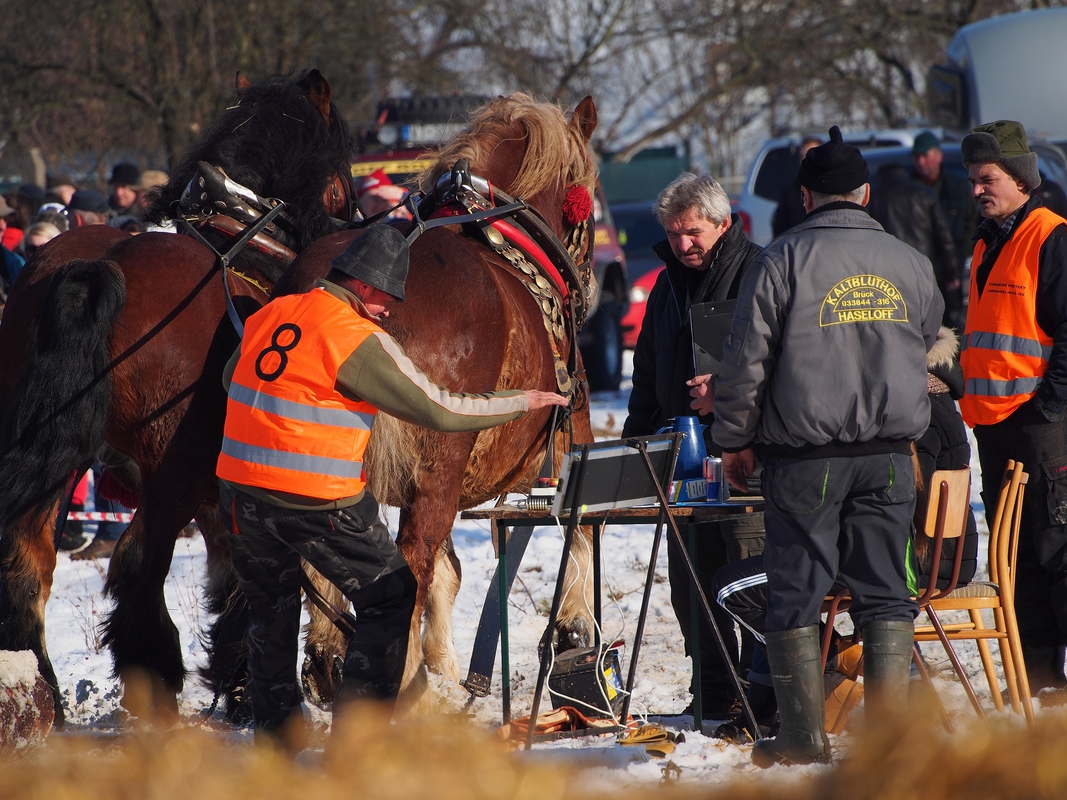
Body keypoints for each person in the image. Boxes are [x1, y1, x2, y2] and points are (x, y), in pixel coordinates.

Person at [216, 225, 569, 747]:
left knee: (271, 609)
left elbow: (232, 379)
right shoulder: (352, 335)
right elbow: (438, 408)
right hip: (316, 497)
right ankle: (358, 740)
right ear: (362, 285)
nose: (388, 310)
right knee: (391, 594)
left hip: (241, 494)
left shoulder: (272, 313)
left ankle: (277, 740)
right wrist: (522, 400)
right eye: (386, 297)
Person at [712, 126, 943, 766]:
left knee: (797, 591)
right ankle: (891, 741)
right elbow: (926, 334)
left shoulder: (778, 260)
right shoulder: (911, 262)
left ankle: (801, 738)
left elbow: (746, 363)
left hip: (806, 460)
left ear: (807, 198)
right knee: (885, 593)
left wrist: (733, 440)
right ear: (865, 193)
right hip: (892, 457)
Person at [711, 326, 979, 742]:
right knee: (785, 578)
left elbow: (880, 507)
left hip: (899, 563)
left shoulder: (905, 412)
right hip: (940, 559)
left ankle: (826, 662)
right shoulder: (933, 397)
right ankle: (791, 692)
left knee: (735, 588)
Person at [622, 172, 765, 721]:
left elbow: (782, 361)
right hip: (680, 458)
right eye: (675, 233)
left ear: (723, 223)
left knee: (749, 574)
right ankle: (712, 691)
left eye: (694, 231)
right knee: (691, 583)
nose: (684, 244)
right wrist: (639, 445)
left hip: (746, 455)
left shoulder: (759, 272)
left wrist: (726, 390)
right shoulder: (666, 283)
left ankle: (763, 695)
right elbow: (647, 371)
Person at [957, 120, 1067, 696]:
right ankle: (1043, 687)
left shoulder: (1051, 237)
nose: (978, 188)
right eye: (973, 178)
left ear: (1022, 180)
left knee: (1054, 557)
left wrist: (1049, 408)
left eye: (989, 178)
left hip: (1042, 433)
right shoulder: (985, 243)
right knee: (1016, 564)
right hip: (997, 429)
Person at [868, 163, 960, 328]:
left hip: (888, 277)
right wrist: (951, 273)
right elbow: (944, 237)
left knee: (897, 324)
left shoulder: (873, 198)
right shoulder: (924, 193)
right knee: (929, 325)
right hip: (924, 272)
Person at [912, 131, 978, 329]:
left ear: (938, 156)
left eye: (926, 156)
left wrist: (962, 258)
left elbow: (972, 223)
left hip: (955, 273)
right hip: (919, 272)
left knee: (954, 328)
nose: (922, 162)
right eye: (917, 157)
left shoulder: (958, 187)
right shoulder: (909, 191)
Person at [771, 136, 822, 238]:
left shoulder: (835, 190)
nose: (805, 160)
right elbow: (779, 231)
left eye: (810, 156)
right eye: (802, 156)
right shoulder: (790, 195)